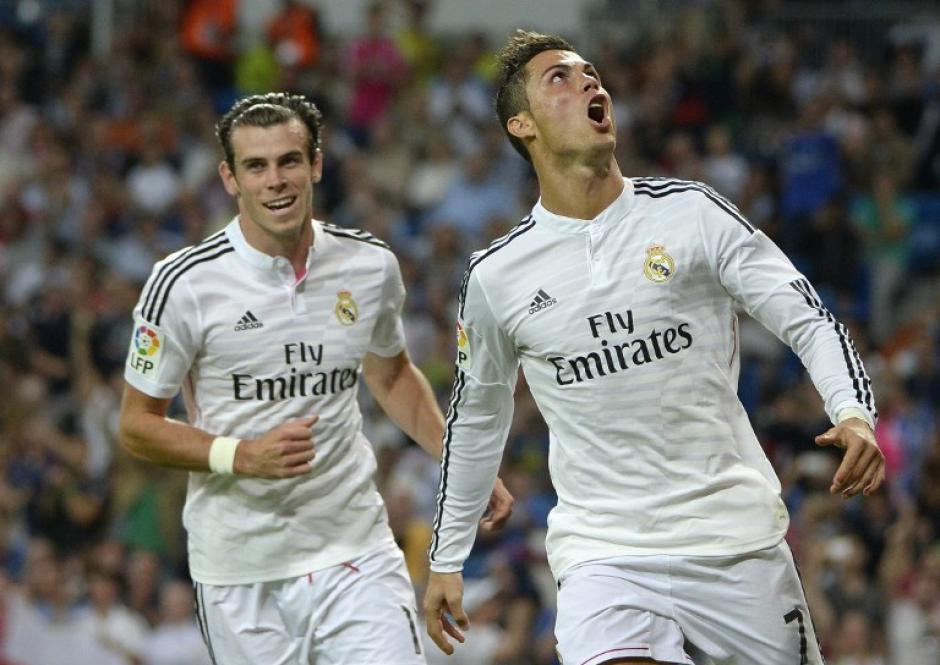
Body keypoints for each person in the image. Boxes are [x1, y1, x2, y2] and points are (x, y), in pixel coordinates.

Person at [423, 31, 885, 665]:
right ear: (521, 124)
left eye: (591, 72)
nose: (589, 81)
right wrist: (447, 557)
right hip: (604, 554)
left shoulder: (692, 213)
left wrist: (853, 411)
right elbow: (477, 417)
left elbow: (806, 316)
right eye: (560, 77)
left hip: (733, 540)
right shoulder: (497, 275)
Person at [118, 92, 512, 665]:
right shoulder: (183, 284)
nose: (275, 180)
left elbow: (392, 375)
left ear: (316, 165)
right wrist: (242, 456)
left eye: (289, 161)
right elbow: (136, 426)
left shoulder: (369, 265)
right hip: (239, 570)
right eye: (256, 166)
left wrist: (463, 464)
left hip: (355, 549)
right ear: (230, 178)